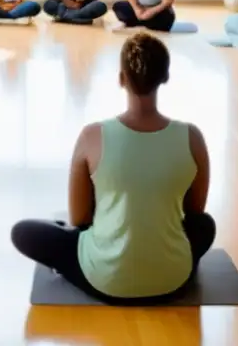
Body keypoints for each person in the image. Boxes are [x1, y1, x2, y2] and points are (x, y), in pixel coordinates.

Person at [11, 32, 215, 303]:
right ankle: (162, 263)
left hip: (105, 279)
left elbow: (80, 218)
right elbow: (194, 214)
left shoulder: (92, 136)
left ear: (121, 79)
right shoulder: (193, 138)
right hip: (173, 279)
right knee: (206, 226)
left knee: (23, 233)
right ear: (165, 77)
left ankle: (105, 264)